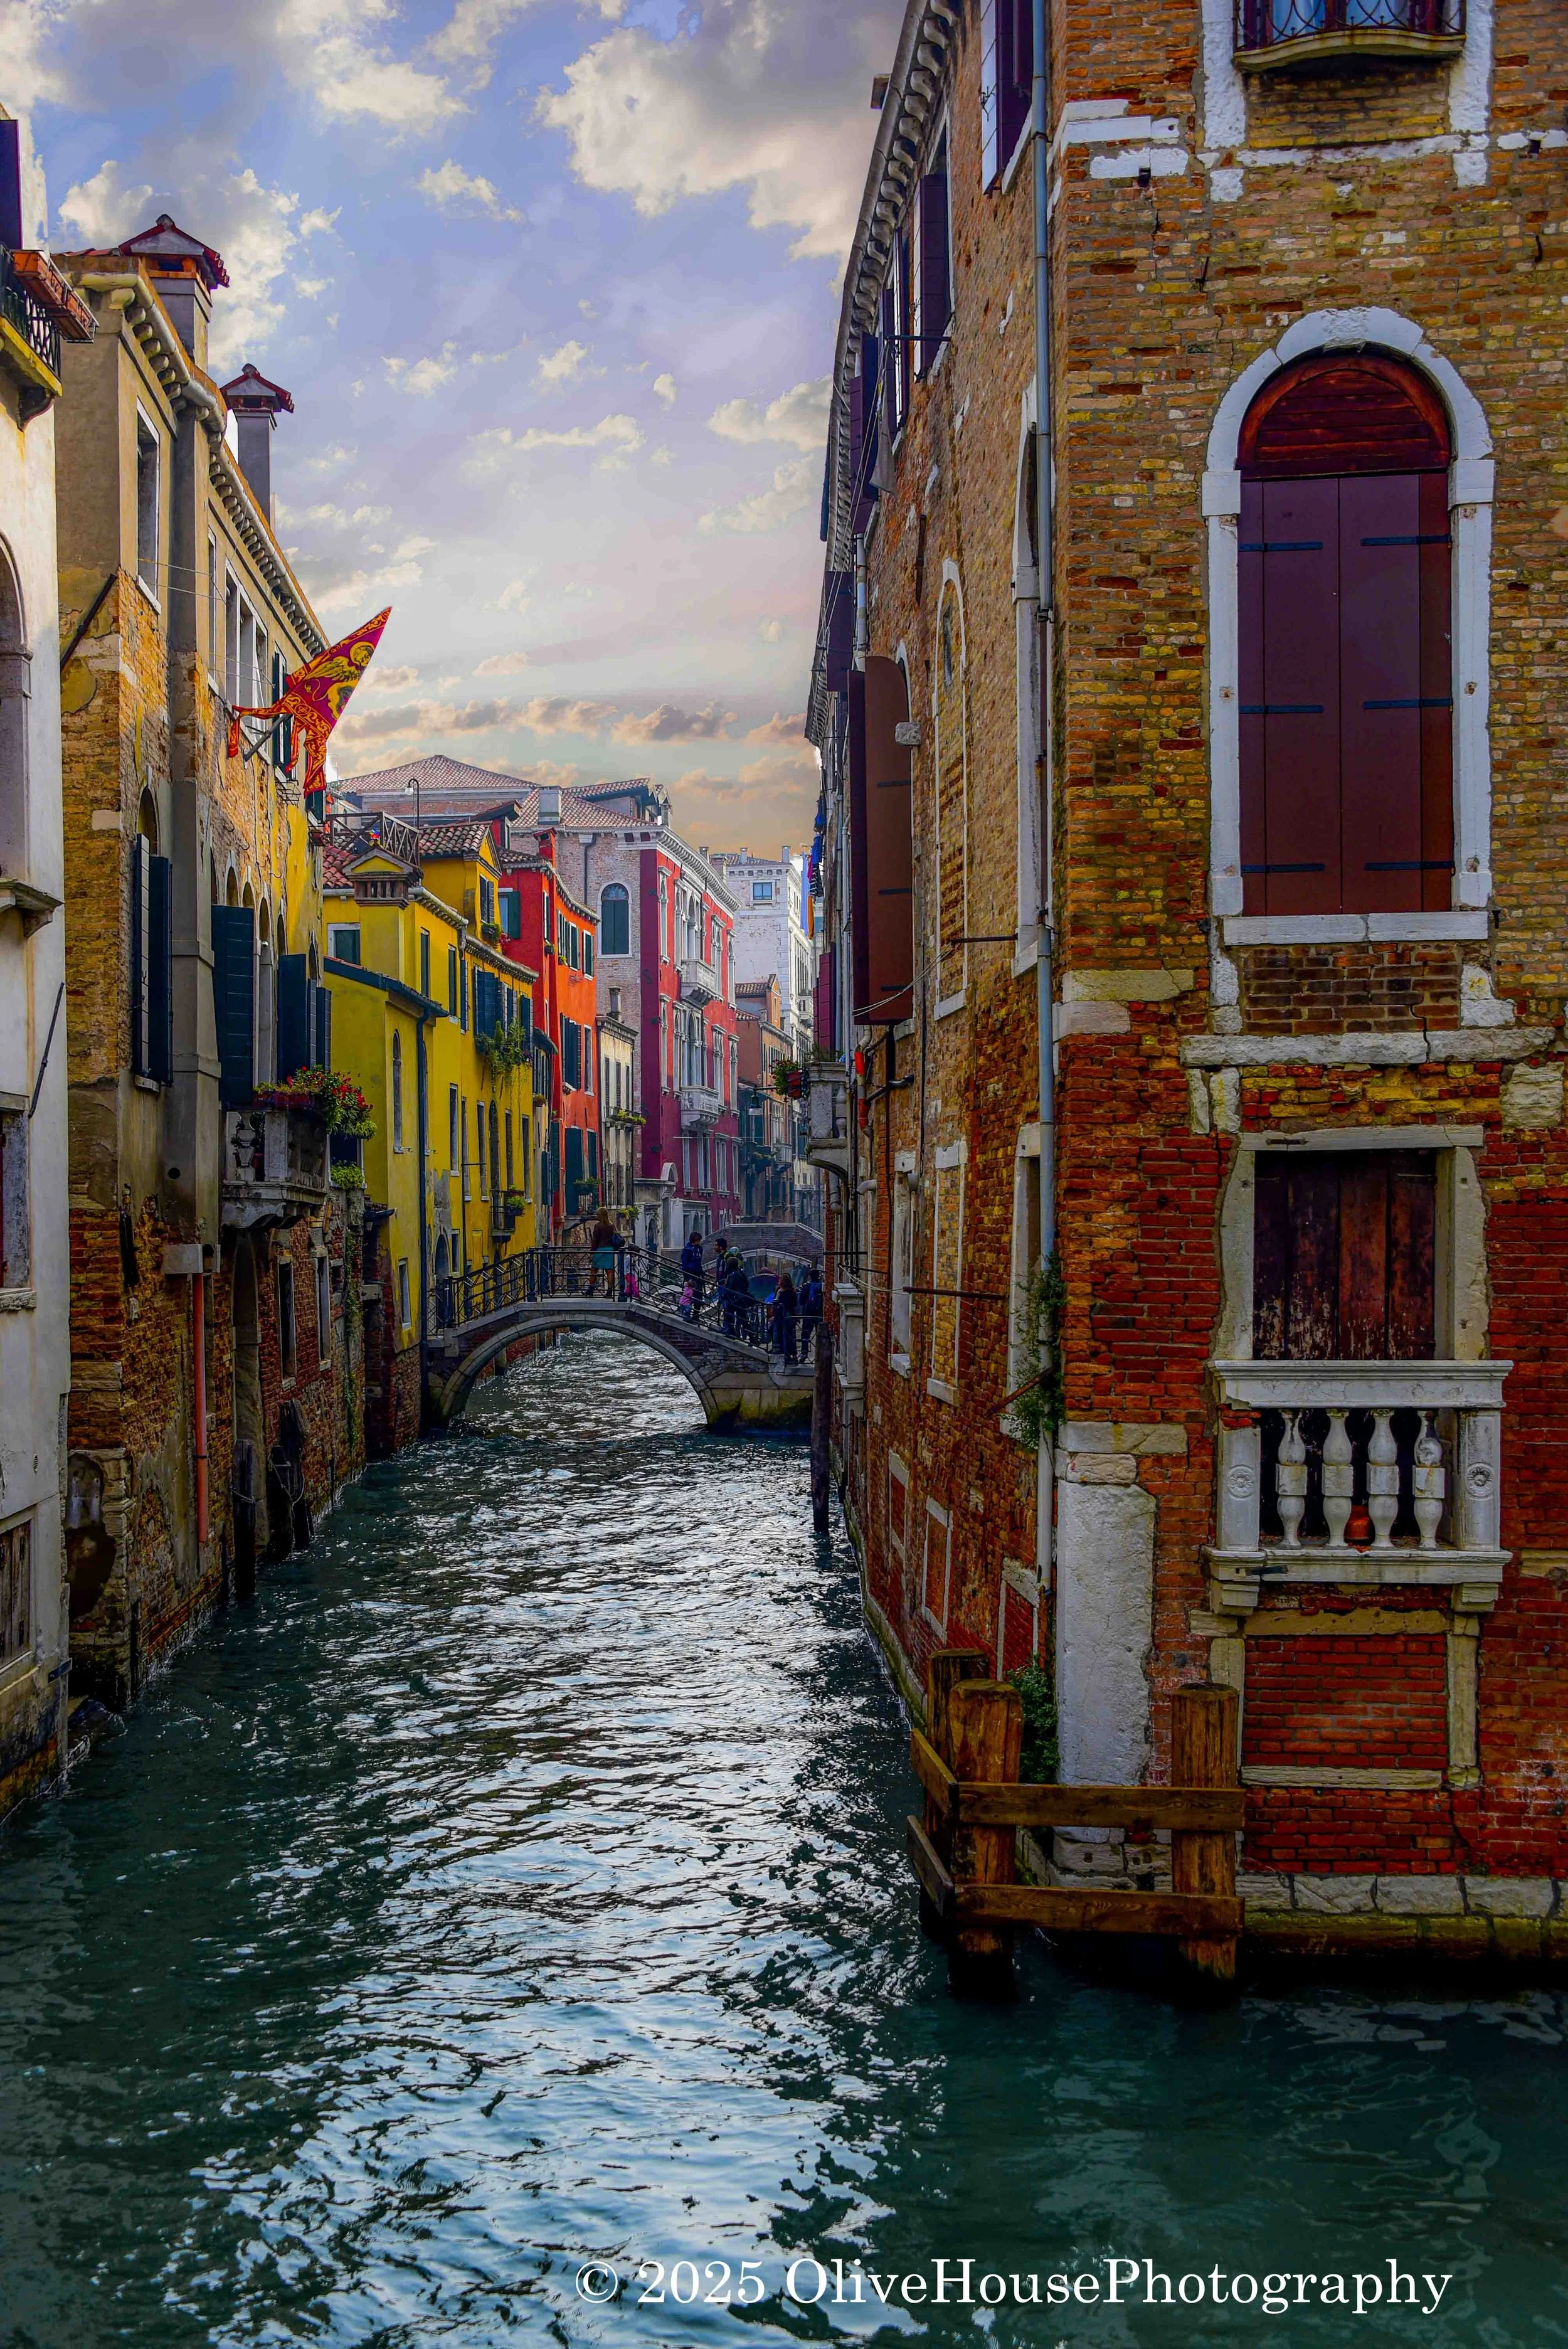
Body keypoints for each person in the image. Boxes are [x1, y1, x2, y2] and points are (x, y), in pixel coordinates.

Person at [771, 1270, 798, 1363]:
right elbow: (794, 1304)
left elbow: (777, 1305)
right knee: (790, 1336)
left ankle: (784, 1353)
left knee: (784, 1335)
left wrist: (774, 1315)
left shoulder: (781, 1292)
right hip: (790, 1315)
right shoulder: (792, 1292)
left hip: (783, 1316)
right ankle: (793, 1355)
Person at [588, 1212, 617, 1296]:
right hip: (610, 1249)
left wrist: (592, 1252)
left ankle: (590, 1290)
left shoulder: (598, 1226)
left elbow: (595, 1240)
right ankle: (610, 1291)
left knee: (594, 1269)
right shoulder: (611, 1225)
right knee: (609, 1271)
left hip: (600, 1249)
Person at [723, 1254, 750, 1340]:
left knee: (728, 1312)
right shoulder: (740, 1273)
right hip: (742, 1298)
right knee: (743, 1319)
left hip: (735, 1299)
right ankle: (752, 1337)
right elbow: (746, 1284)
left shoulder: (732, 1275)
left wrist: (724, 1296)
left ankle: (731, 1331)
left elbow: (730, 1288)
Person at [798, 1268, 823, 1360]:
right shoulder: (821, 1286)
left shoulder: (806, 1286)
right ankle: (820, 1354)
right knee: (820, 1334)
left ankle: (804, 1353)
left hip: (808, 1313)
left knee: (805, 1333)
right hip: (819, 1313)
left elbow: (801, 1301)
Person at [680, 1230, 704, 1306]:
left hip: (698, 1275)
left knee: (699, 1296)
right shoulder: (687, 1250)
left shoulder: (700, 1249)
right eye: (699, 1241)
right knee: (689, 1296)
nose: (700, 1242)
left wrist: (702, 1273)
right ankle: (687, 1313)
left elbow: (699, 1262)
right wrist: (687, 1278)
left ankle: (696, 1314)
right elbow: (684, 1264)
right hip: (691, 1274)